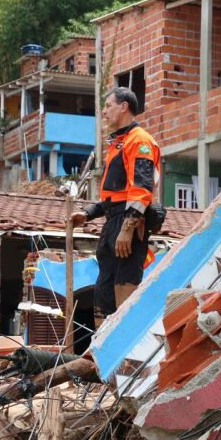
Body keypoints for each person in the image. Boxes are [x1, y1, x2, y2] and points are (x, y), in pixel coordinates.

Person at [70, 87, 161, 328]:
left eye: (108, 105)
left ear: (124, 107)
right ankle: (100, 350)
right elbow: (115, 195)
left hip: (129, 222)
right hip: (112, 221)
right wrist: (88, 214)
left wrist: (128, 228)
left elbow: (141, 189)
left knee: (124, 285)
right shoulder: (118, 143)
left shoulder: (140, 141)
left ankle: (125, 347)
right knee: (104, 289)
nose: (103, 111)